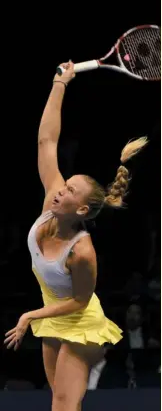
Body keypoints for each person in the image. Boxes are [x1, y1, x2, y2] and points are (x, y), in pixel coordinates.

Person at [4, 62, 148, 411]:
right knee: (62, 402)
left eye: (69, 191)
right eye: (63, 185)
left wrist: (29, 316)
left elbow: (81, 302)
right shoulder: (49, 204)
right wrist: (59, 82)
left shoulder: (81, 251)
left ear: (82, 210)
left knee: (64, 404)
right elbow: (46, 140)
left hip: (81, 322)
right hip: (52, 314)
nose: (59, 191)